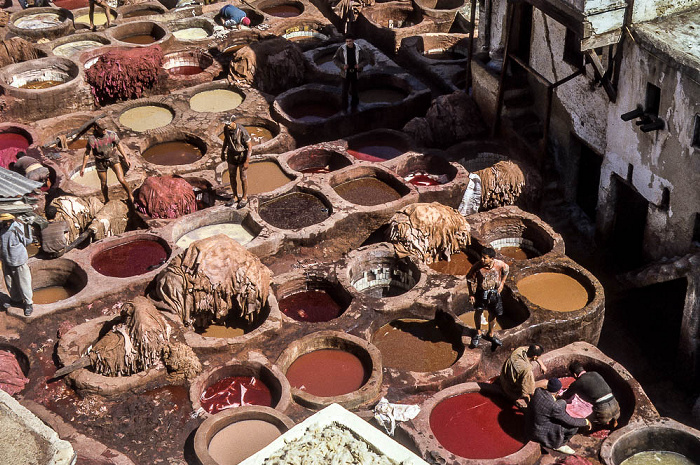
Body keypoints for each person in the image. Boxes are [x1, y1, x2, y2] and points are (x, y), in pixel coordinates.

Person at [526, 377, 591, 455]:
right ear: (558, 391)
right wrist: (586, 421)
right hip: (539, 431)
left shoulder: (538, 391)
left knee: (562, 402)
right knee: (573, 428)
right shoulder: (554, 407)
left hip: (532, 421)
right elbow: (571, 421)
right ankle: (558, 445)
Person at [80, 121, 133, 204]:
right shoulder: (92, 139)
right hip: (100, 161)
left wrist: (126, 157)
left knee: (121, 179)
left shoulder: (111, 135)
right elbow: (87, 153)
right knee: (103, 183)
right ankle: (106, 200)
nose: (104, 131)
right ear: (97, 128)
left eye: (105, 129)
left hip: (113, 158)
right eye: (102, 129)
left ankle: (130, 195)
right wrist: (83, 167)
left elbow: (119, 145)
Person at [466, 247, 509, 349]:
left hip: (494, 292)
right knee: (478, 311)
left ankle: (490, 334)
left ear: (492, 259)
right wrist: (471, 294)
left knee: (493, 314)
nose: (482, 259)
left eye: (485, 258)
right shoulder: (477, 267)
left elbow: (507, 270)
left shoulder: (499, 264)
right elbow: (469, 279)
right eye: (481, 256)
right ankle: (478, 332)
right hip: (481, 292)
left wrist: (502, 283)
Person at [559, 361, 621, 430]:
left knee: (587, 420)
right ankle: (615, 421)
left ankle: (591, 427)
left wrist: (559, 396)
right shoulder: (595, 373)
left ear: (575, 375)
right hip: (616, 406)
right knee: (611, 415)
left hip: (603, 411)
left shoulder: (579, 382)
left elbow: (567, 394)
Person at [0, 214, 33, 317]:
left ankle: (28, 304)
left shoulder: (17, 228)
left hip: (18, 259)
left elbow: (28, 241)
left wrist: (28, 228)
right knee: (10, 282)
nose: (6, 223)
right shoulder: (1, 228)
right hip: (6, 259)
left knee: (24, 282)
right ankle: (16, 299)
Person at [333, 33, 370, 112]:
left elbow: (367, 59)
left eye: (350, 41)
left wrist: (360, 65)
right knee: (344, 91)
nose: (348, 43)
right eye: (347, 41)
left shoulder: (360, 49)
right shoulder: (341, 49)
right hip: (345, 74)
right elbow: (335, 59)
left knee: (355, 91)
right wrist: (342, 66)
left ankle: (355, 108)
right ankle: (344, 108)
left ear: (353, 41)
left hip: (356, 73)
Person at [220, 117, 251, 208]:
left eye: (229, 124)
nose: (227, 126)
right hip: (231, 154)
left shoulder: (242, 131)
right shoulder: (226, 129)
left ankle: (244, 197)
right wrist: (223, 152)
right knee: (232, 175)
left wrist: (247, 161)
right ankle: (235, 196)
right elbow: (226, 140)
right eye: (226, 125)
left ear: (234, 122)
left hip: (241, 155)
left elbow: (249, 147)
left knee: (243, 177)